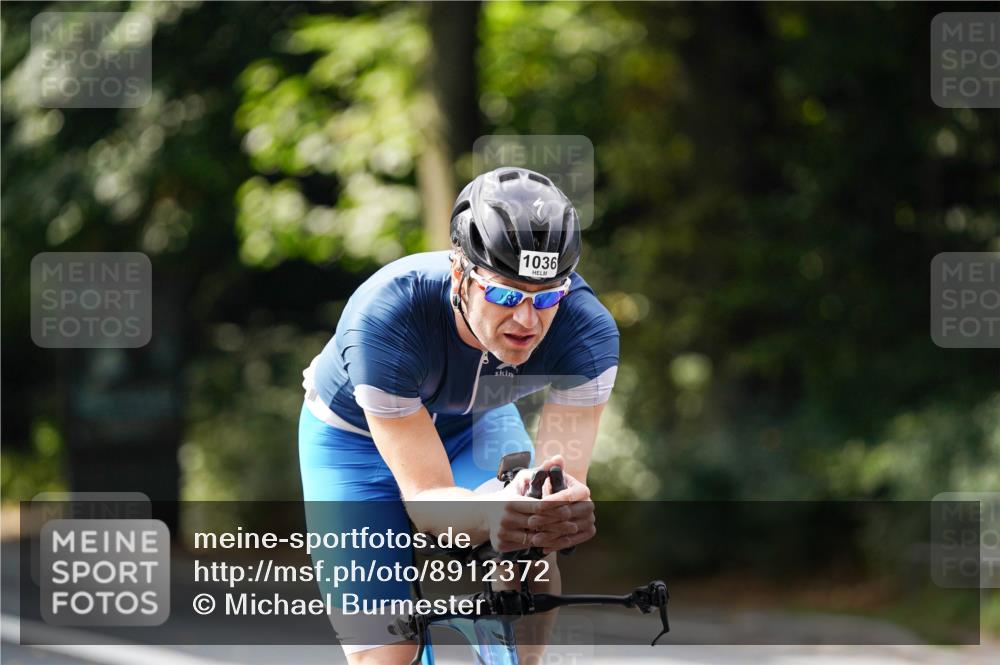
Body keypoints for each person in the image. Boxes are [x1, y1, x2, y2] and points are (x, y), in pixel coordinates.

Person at [298, 166, 620, 664]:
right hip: (352, 441)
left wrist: (546, 510)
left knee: (534, 529)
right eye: (506, 294)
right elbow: (427, 501)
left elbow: (559, 490)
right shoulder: (387, 318)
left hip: (473, 423)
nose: (527, 320)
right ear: (459, 274)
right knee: (388, 649)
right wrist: (494, 513)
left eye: (548, 296)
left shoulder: (586, 334)